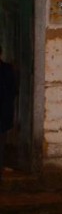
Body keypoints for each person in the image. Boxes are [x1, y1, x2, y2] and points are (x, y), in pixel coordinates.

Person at [0, 45, 17, 182]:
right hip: (4, 111)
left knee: (1, 141)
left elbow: (12, 91)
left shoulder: (7, 70)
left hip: (3, 112)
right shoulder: (7, 69)